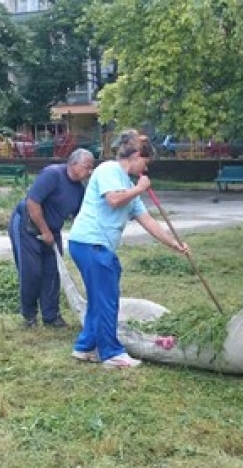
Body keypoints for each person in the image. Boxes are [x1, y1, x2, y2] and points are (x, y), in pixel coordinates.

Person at [68, 130, 190, 369]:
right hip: (90, 243)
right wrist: (140, 188)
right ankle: (112, 354)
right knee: (107, 300)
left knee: (99, 298)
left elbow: (148, 221)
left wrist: (174, 244)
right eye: (145, 162)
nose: (145, 169)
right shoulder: (109, 170)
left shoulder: (128, 185)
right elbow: (113, 199)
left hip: (100, 247)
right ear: (135, 156)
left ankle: (85, 347)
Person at [8, 148, 96, 328]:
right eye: (87, 167)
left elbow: (79, 216)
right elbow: (33, 202)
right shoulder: (52, 174)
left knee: (53, 271)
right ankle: (29, 316)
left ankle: (51, 316)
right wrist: (44, 231)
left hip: (52, 229)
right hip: (28, 224)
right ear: (73, 163)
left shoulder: (79, 189)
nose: (90, 171)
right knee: (31, 271)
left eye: (91, 168)